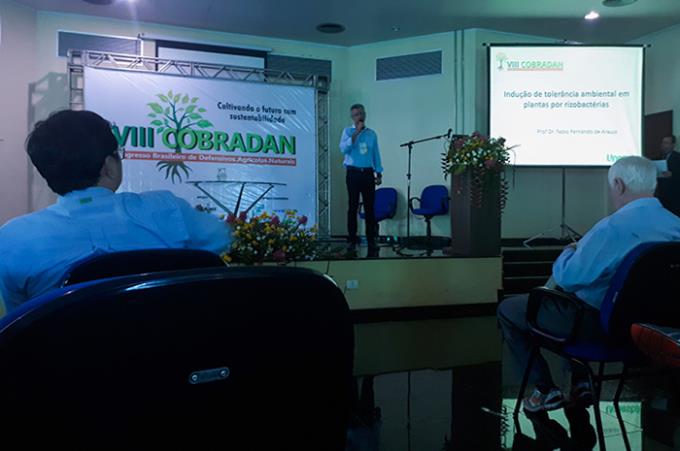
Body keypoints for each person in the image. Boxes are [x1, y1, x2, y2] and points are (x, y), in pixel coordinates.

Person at [0, 110, 231, 313]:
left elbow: (20, 318)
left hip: (68, 360)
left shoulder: (13, 238)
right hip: (172, 355)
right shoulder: (167, 208)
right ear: (109, 166)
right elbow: (221, 238)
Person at [498, 156, 680, 413]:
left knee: (511, 309)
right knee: (571, 301)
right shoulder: (676, 226)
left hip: (601, 328)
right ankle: (580, 382)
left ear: (618, 185)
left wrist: (570, 251)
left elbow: (568, 277)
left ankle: (546, 389)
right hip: (657, 330)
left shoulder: (612, 228)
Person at [339, 104, 383, 253]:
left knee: (370, 208)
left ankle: (372, 240)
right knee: (353, 207)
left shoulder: (371, 134)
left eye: (362, 113)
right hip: (353, 173)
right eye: (357, 114)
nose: (360, 116)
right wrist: (356, 133)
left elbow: (375, 154)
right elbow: (343, 149)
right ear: (352, 117)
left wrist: (379, 172)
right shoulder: (347, 131)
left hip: (368, 173)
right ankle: (352, 240)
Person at [657, 135, 680, 216]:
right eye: (663, 143)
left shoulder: (678, 157)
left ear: (673, 145)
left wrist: (673, 174)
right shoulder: (659, 157)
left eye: (666, 143)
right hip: (661, 195)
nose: (663, 145)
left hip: (674, 196)